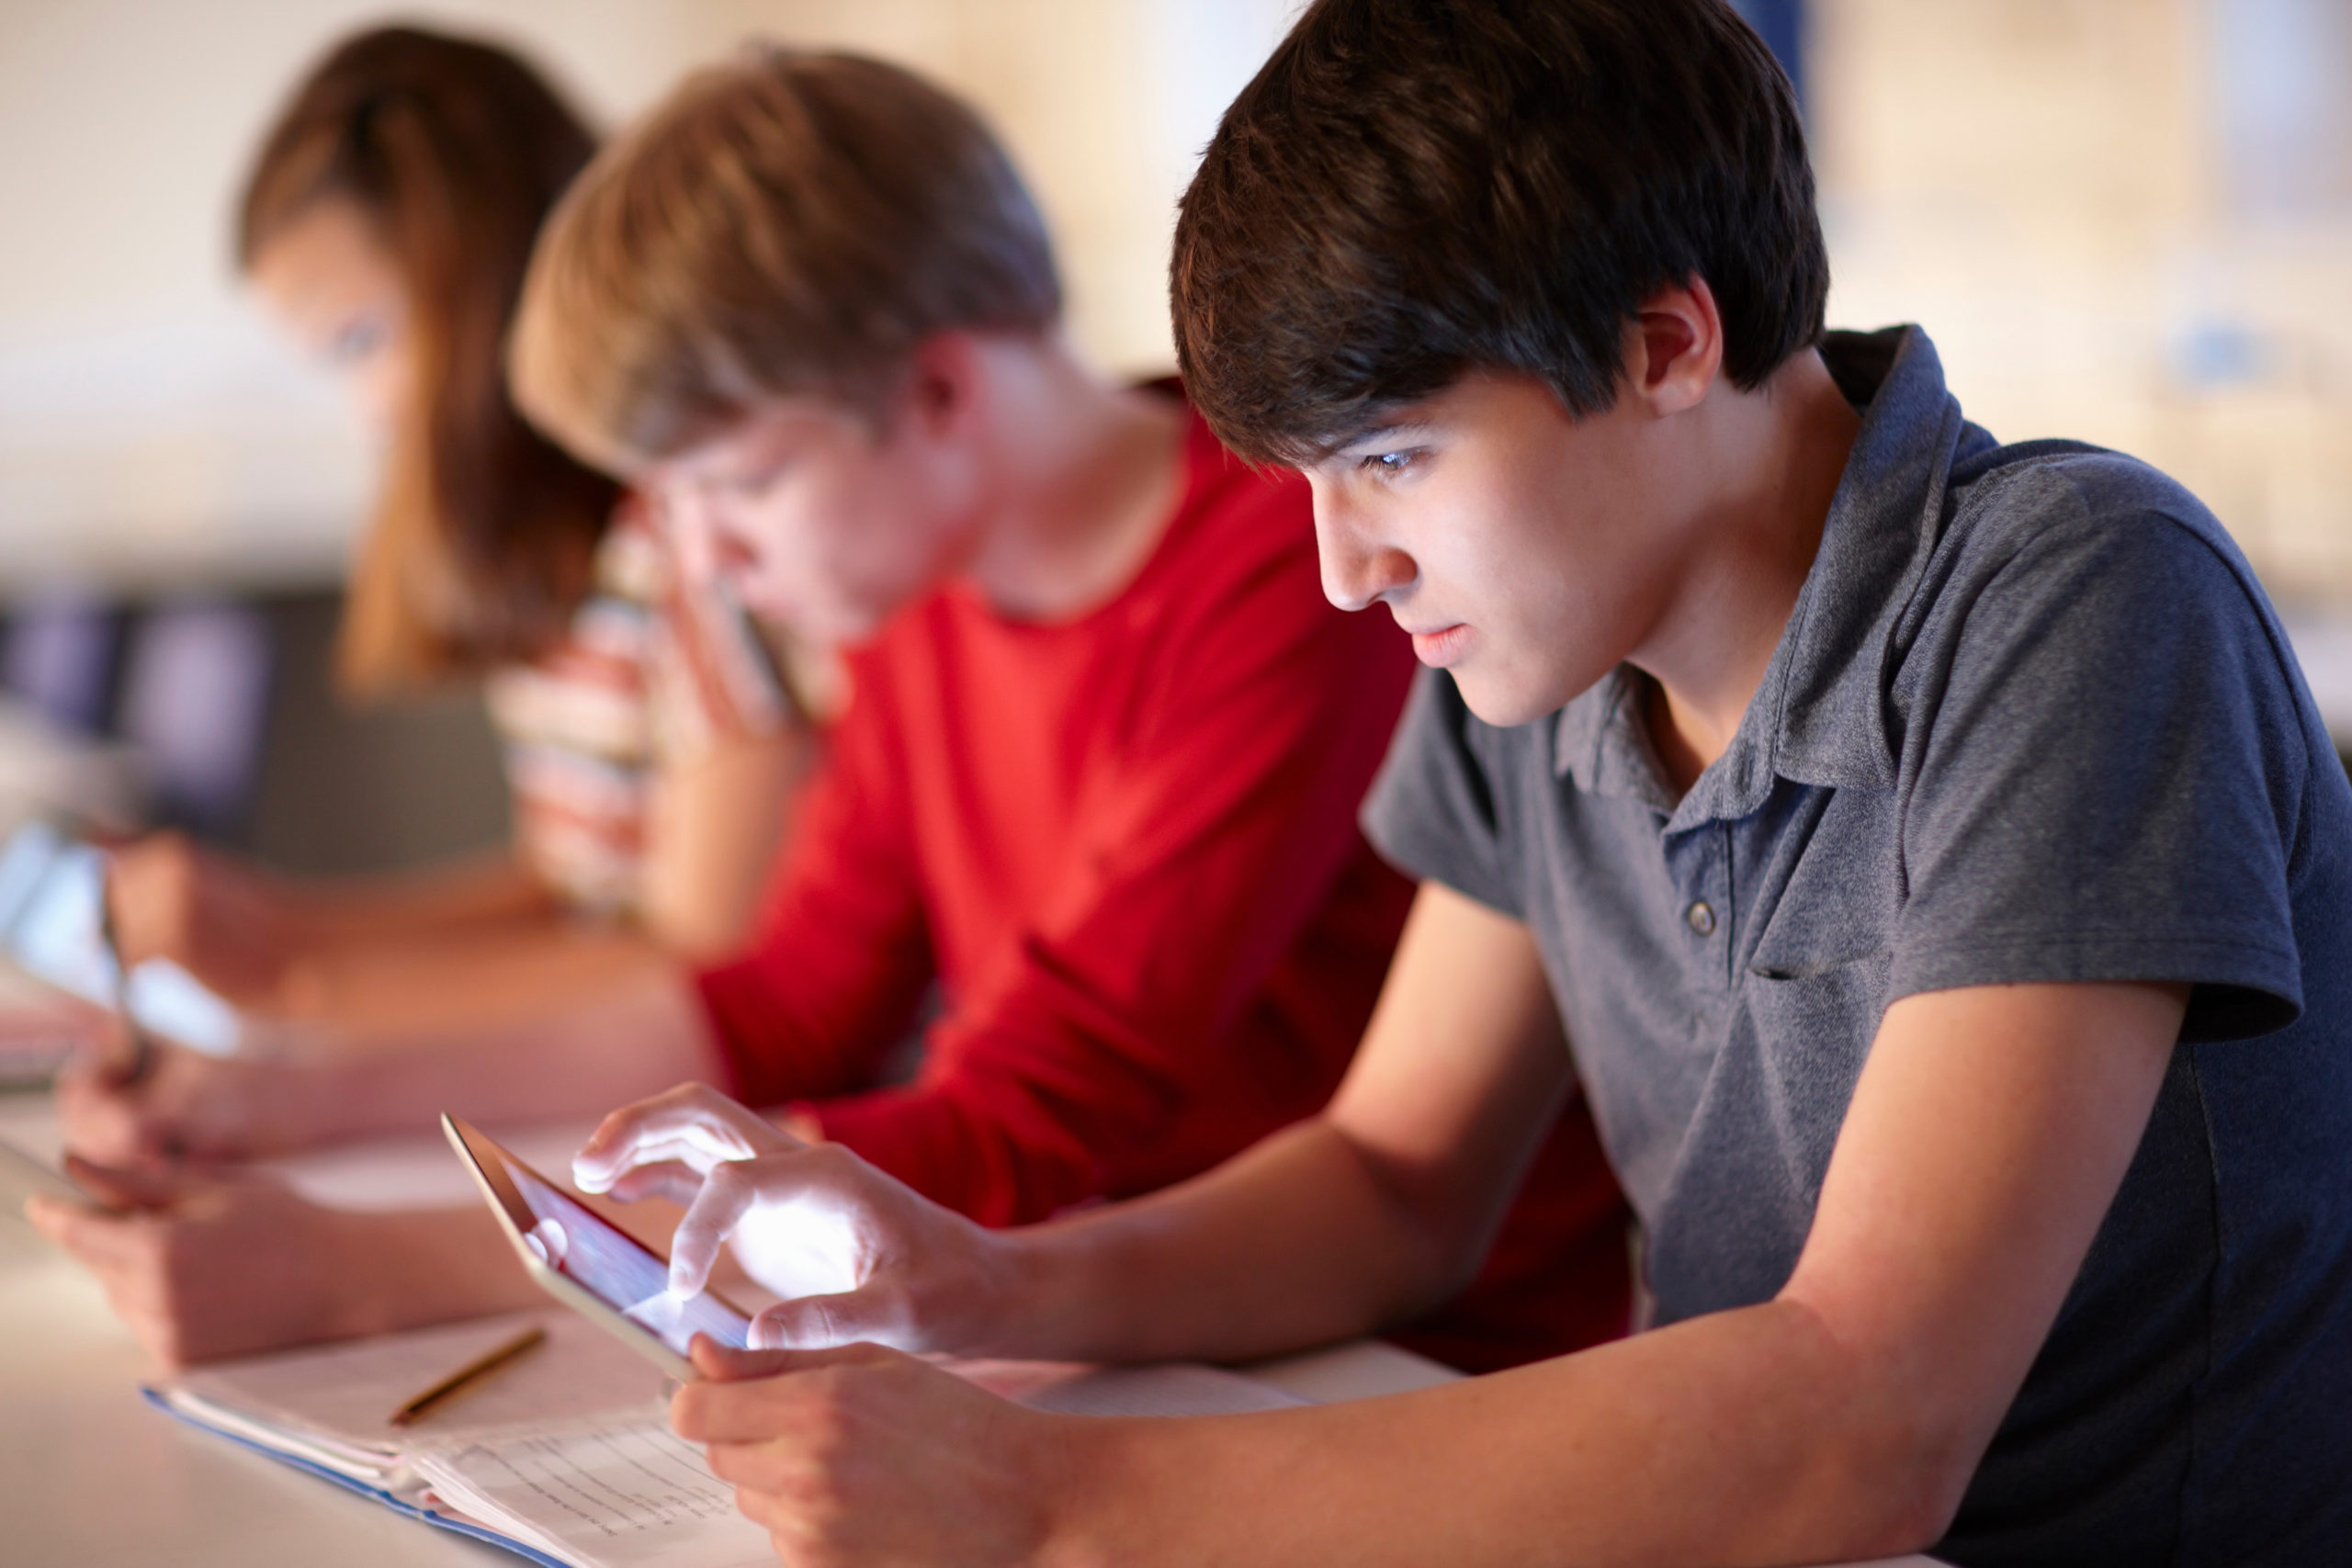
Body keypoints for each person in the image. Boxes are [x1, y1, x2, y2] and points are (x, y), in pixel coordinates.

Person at [554, 3, 2352, 1565]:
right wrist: (973, 1280)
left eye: (1392, 461)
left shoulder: (2072, 592)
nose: (1344, 569)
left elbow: (1861, 1410)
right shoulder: (1554, 655)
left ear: (1663, 346)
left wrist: (1046, 1501)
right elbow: (1392, 1181)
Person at [38, 46, 1631, 1376]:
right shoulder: (920, 590)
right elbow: (786, 1000)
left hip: (1390, 1354)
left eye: (738, 486)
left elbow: (1037, 1104)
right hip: (1113, 1324)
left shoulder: (1279, 565)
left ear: (940, 394)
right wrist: (277, 1096)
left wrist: (377, 1270)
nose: (709, 559)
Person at [92, 26, 821, 1078]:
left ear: (478, 293)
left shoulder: (700, 534)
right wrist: (282, 931)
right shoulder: (560, 564)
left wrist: (305, 1000)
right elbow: (572, 884)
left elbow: (698, 945)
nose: (366, 412)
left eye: (361, 341)